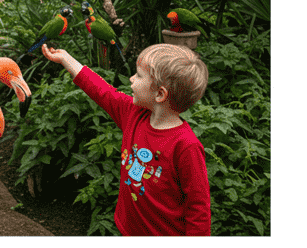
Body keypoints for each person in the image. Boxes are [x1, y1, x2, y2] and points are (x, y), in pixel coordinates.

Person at [41, 43, 212, 235]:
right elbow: (102, 91)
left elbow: (199, 208)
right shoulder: (134, 115)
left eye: (139, 75)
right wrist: (66, 59)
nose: (131, 79)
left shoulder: (185, 146)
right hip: (130, 230)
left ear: (160, 94)